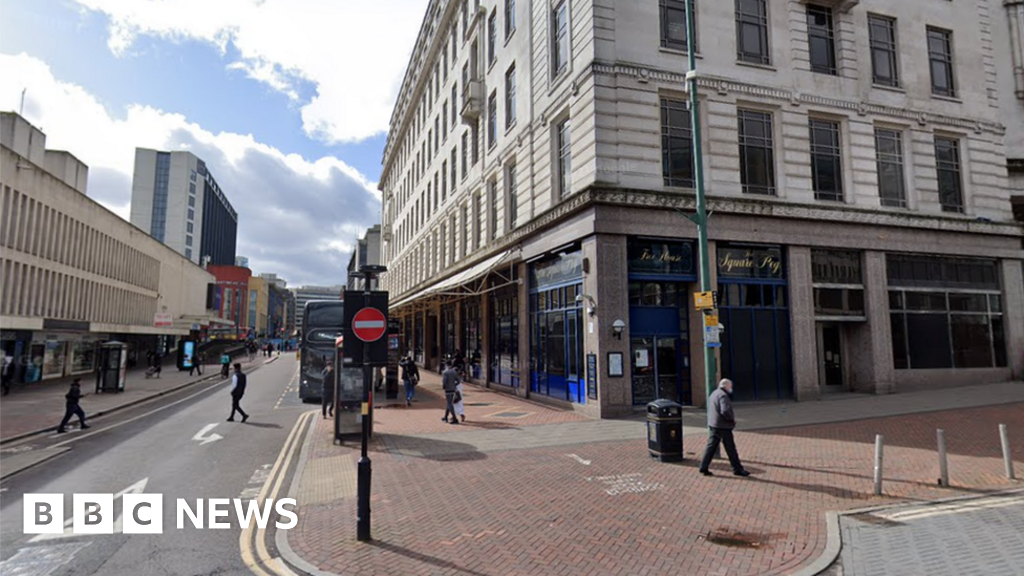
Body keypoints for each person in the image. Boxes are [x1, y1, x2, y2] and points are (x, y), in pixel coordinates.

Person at [698, 379, 750, 477]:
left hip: (714, 424)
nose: (731, 389)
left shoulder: (714, 393)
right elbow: (725, 410)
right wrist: (731, 420)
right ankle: (737, 469)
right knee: (731, 448)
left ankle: (703, 466)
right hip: (723, 426)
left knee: (711, 447)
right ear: (726, 386)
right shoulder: (723, 396)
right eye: (730, 386)